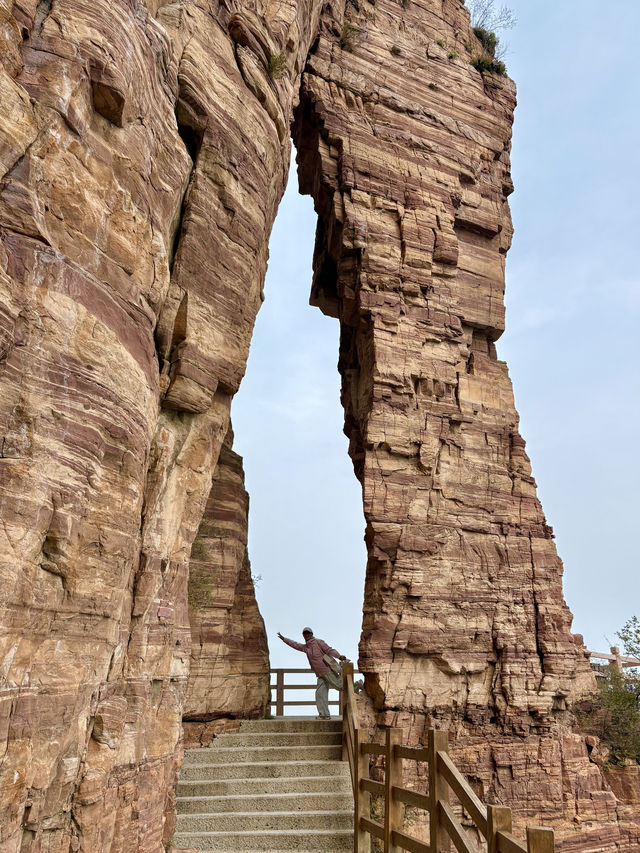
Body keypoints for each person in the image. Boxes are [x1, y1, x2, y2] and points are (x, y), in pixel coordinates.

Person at [277, 627, 347, 719]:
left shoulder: (318, 642)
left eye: (308, 633)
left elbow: (329, 650)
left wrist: (339, 656)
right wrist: (284, 639)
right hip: (320, 674)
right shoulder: (306, 647)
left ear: (311, 634)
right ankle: (324, 715)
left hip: (327, 670)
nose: (306, 635)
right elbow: (295, 644)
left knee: (339, 686)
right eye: (304, 633)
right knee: (320, 694)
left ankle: (356, 685)